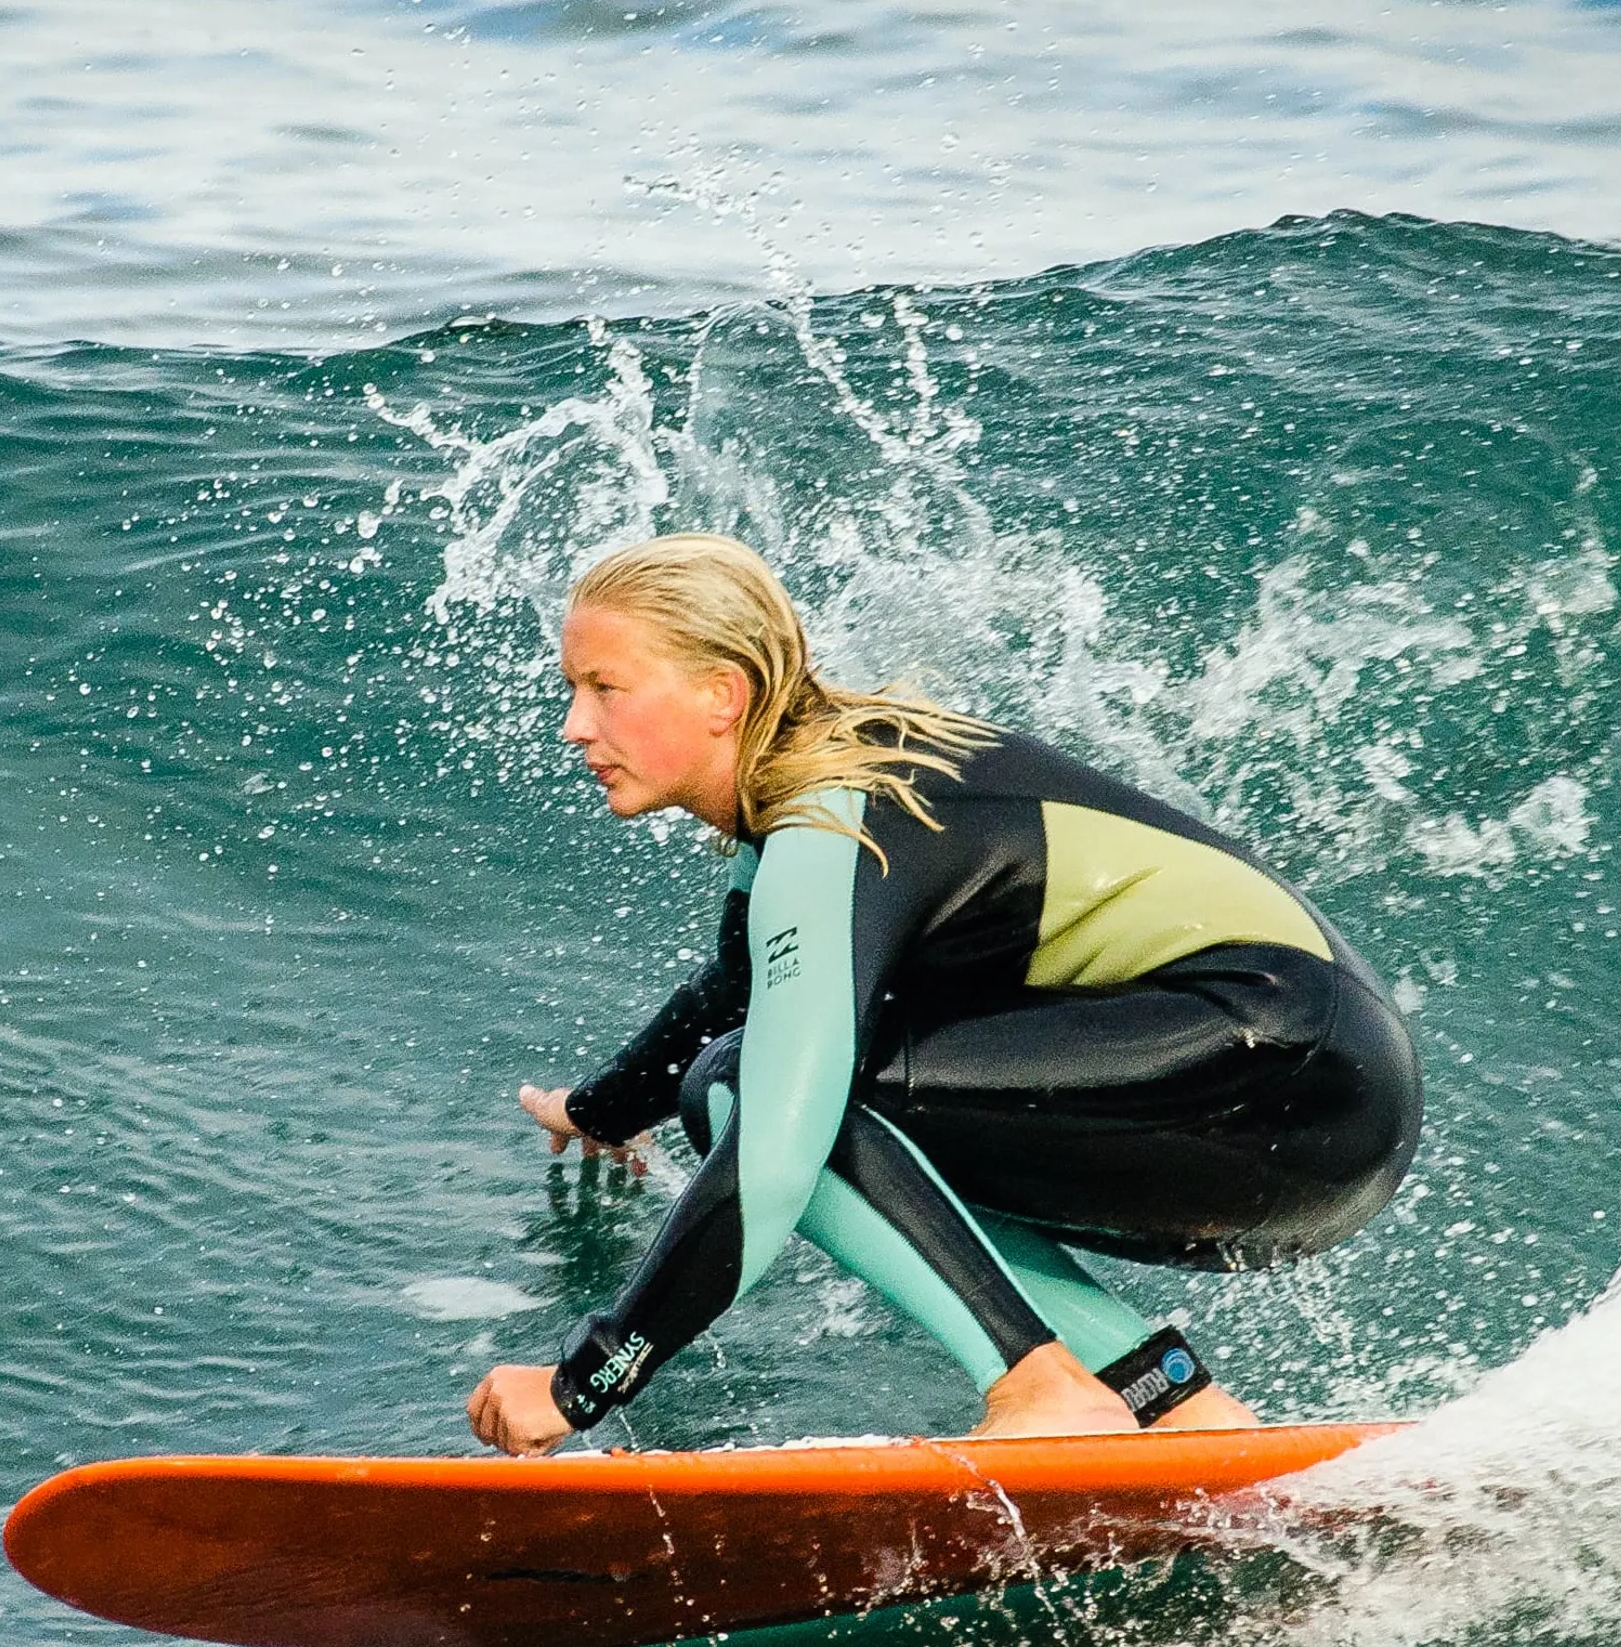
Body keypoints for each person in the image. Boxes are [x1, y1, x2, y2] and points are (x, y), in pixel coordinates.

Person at [466, 533, 1421, 1454]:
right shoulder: (839, 784)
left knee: (755, 1087)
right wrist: (598, 1110)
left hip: (1279, 1062)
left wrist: (584, 1381)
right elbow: (738, 986)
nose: (576, 725)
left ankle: (1043, 1389)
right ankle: (1167, 1403)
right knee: (838, 1092)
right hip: (1333, 1096)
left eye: (606, 688)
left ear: (723, 693)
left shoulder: (828, 826)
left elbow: (774, 1152)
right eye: (572, 689)